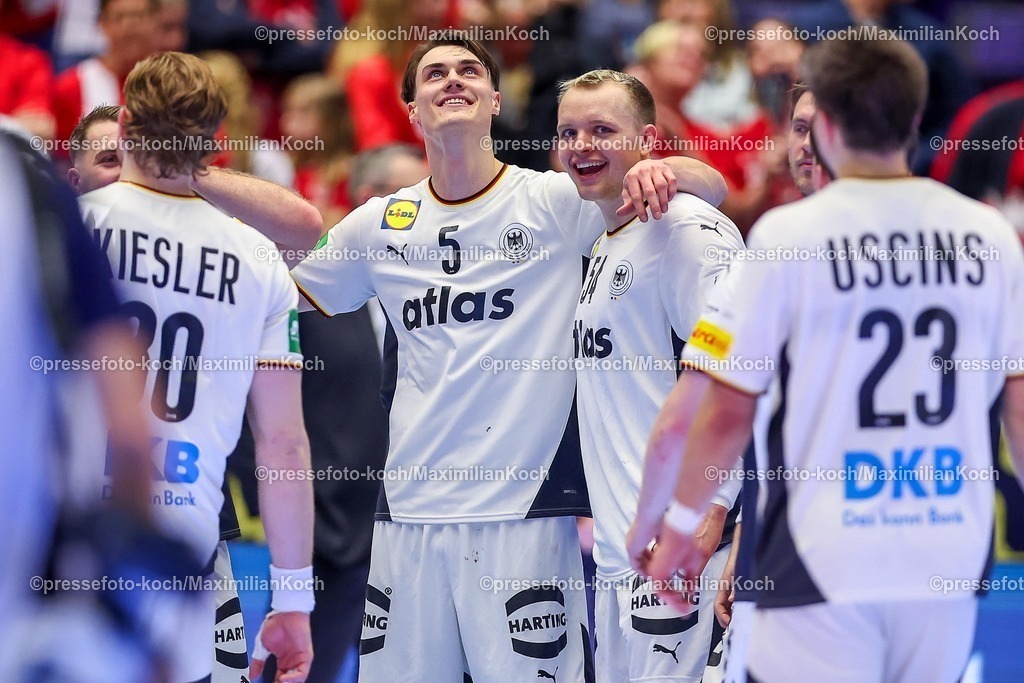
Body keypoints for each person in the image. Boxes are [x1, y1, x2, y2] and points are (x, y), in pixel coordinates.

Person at [287, 31, 726, 683]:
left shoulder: (555, 201)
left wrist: (672, 169)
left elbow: (700, 196)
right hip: (409, 517)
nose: (453, 79)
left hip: (525, 519)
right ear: (410, 107)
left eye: (470, 69)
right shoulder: (378, 223)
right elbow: (275, 296)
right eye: (434, 73)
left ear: (496, 99)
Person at [633, 36, 1024, 682]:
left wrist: (673, 527)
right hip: (945, 550)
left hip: (822, 552)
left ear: (832, 126)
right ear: (916, 119)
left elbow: (718, 417)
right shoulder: (990, 236)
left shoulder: (788, 237)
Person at [78, 52, 316, 683]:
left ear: (124, 123)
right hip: (183, 554)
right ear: (215, 141)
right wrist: (293, 600)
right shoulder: (260, 258)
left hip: (70, 537)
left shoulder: (71, 227)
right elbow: (284, 445)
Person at [557, 69, 744, 683]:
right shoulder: (604, 233)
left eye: (603, 131)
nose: (583, 145)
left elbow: (740, 367)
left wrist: (714, 505)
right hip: (619, 556)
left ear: (647, 140)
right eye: (570, 132)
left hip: (684, 545)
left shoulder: (683, 228)